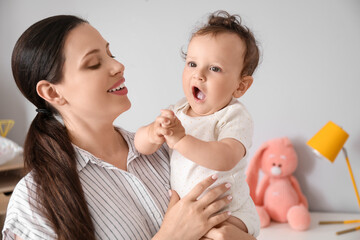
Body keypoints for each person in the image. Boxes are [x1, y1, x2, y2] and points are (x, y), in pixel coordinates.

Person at [2, 15, 257, 240]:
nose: (118, 66)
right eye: (94, 63)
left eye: (110, 54)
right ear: (52, 92)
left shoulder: (166, 151)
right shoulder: (34, 201)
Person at [135, 11, 260, 237]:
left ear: (240, 86)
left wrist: (181, 140)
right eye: (192, 63)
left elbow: (225, 158)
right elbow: (140, 146)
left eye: (214, 68)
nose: (198, 75)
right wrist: (153, 133)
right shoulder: (178, 111)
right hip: (189, 215)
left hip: (231, 213)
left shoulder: (233, 116)